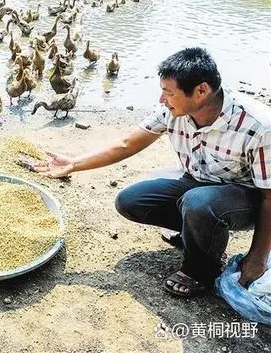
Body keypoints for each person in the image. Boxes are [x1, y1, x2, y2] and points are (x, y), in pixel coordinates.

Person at [34, 47, 270, 297]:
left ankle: (200, 272)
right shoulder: (174, 111)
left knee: (199, 203)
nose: (161, 100)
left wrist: (257, 258)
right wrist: (74, 164)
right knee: (130, 201)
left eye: (168, 93)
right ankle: (199, 233)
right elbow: (127, 144)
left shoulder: (258, 127)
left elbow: (269, 198)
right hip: (197, 181)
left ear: (202, 91)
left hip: (244, 199)